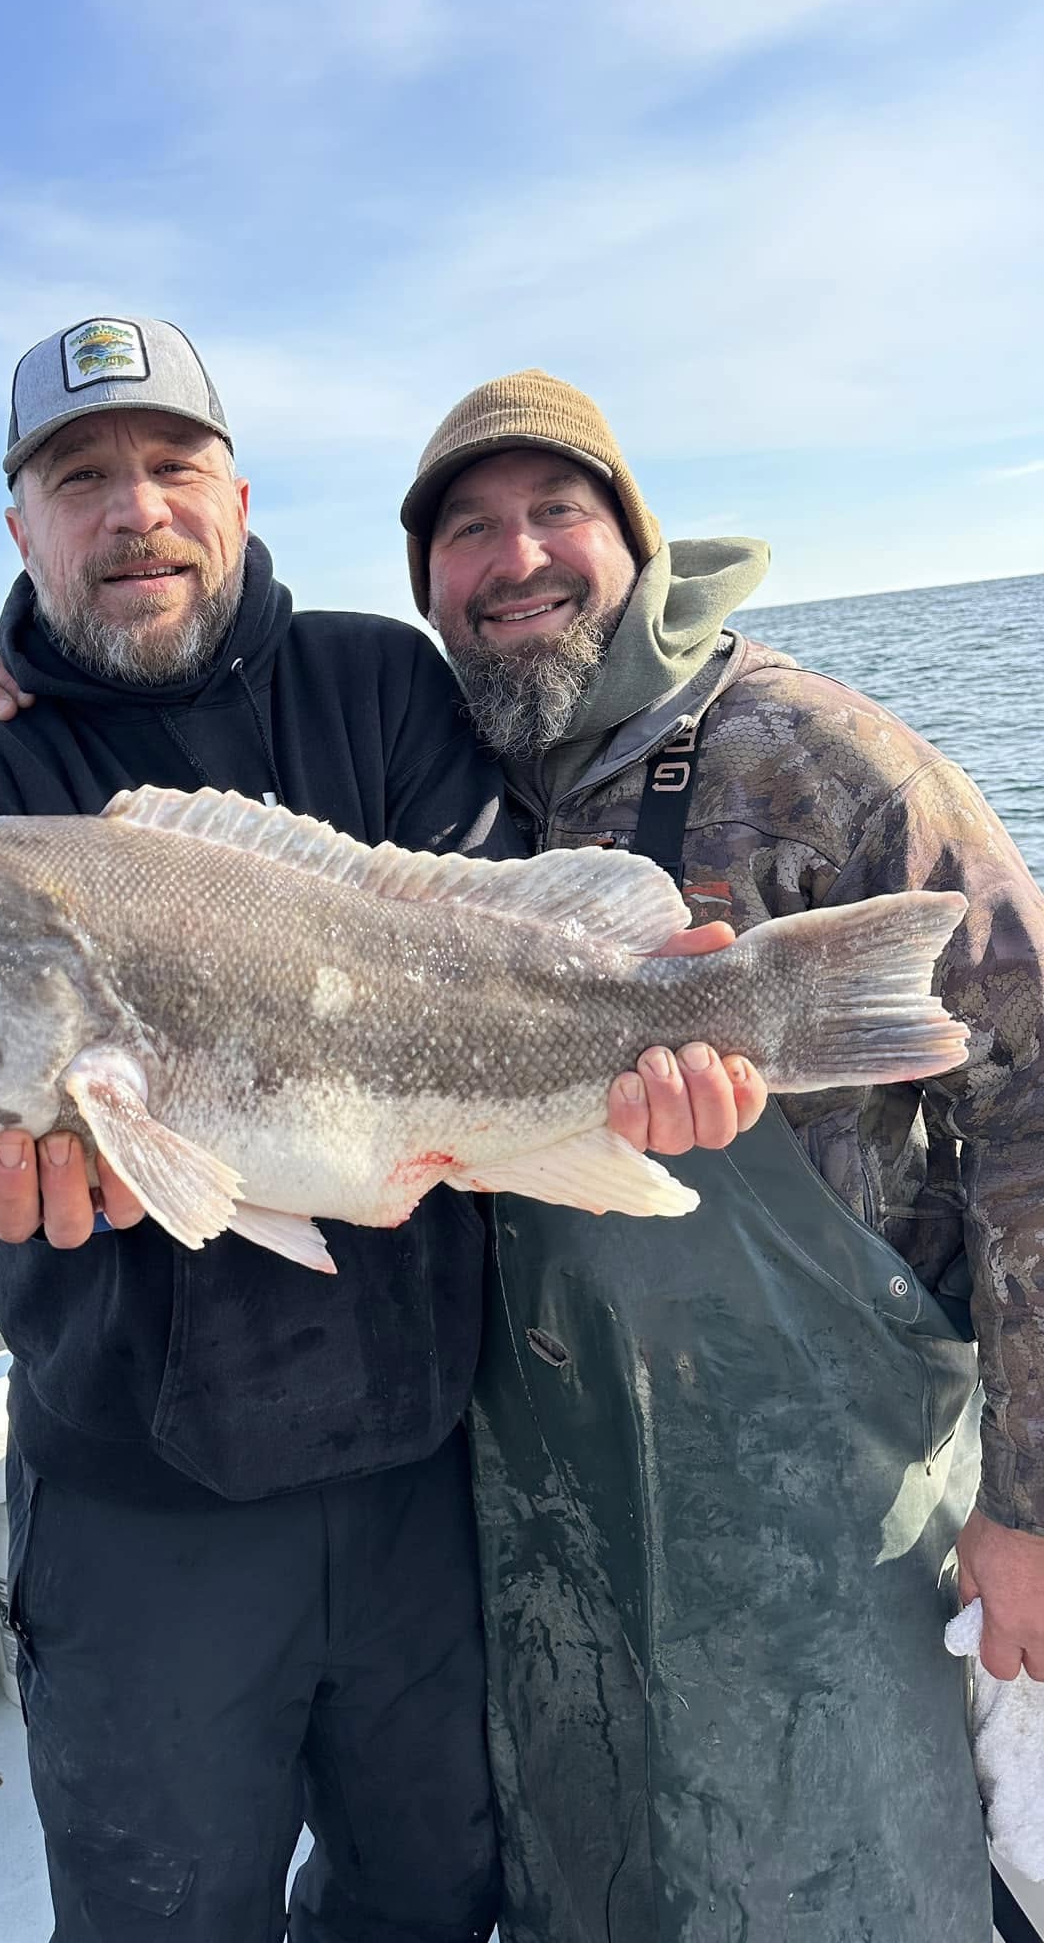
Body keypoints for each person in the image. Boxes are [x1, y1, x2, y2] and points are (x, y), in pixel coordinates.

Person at [0, 316, 763, 1943]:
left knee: (431, 1888)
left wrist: (640, 1057)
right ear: (22, 529)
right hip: (137, 1497)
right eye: (81, 480)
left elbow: (501, 946)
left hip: (420, 1453)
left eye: (173, 465)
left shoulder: (382, 679)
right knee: (165, 1913)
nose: (135, 511)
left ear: (237, 495)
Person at [395, 367, 1044, 1941]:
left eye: (557, 510)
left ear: (634, 538)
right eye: (469, 529)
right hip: (562, 1493)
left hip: (839, 1494)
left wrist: (1028, 1504)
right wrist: (8, 690)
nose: (516, 557)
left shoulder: (815, 753)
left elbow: (1029, 1098)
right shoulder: (442, 781)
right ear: (425, 583)